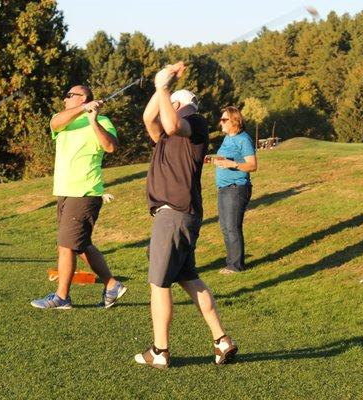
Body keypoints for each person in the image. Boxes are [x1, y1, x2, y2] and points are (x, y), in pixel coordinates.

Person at [135, 62, 238, 369]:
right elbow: (149, 118)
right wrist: (160, 86)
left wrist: (163, 88)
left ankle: (160, 351)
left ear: (178, 105)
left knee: (159, 283)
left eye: (170, 102)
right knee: (189, 279)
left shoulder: (194, 123)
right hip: (179, 214)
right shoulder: (167, 137)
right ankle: (222, 341)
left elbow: (170, 123)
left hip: (174, 213)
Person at [31, 85, 127, 310]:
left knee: (66, 245)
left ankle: (62, 297)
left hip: (84, 192)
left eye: (69, 96)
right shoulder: (63, 119)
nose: (64, 99)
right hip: (65, 192)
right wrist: (83, 108)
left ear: (83, 97)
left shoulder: (103, 121)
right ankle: (112, 284)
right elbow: (54, 123)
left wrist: (93, 120)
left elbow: (111, 147)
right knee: (80, 244)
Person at [212, 106, 257, 274]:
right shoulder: (227, 138)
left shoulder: (243, 139)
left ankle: (236, 266)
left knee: (232, 227)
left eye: (224, 120)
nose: (221, 122)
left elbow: (252, 165)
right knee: (225, 227)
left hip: (236, 188)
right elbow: (226, 158)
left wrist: (233, 164)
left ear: (234, 121)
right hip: (223, 188)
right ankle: (230, 262)